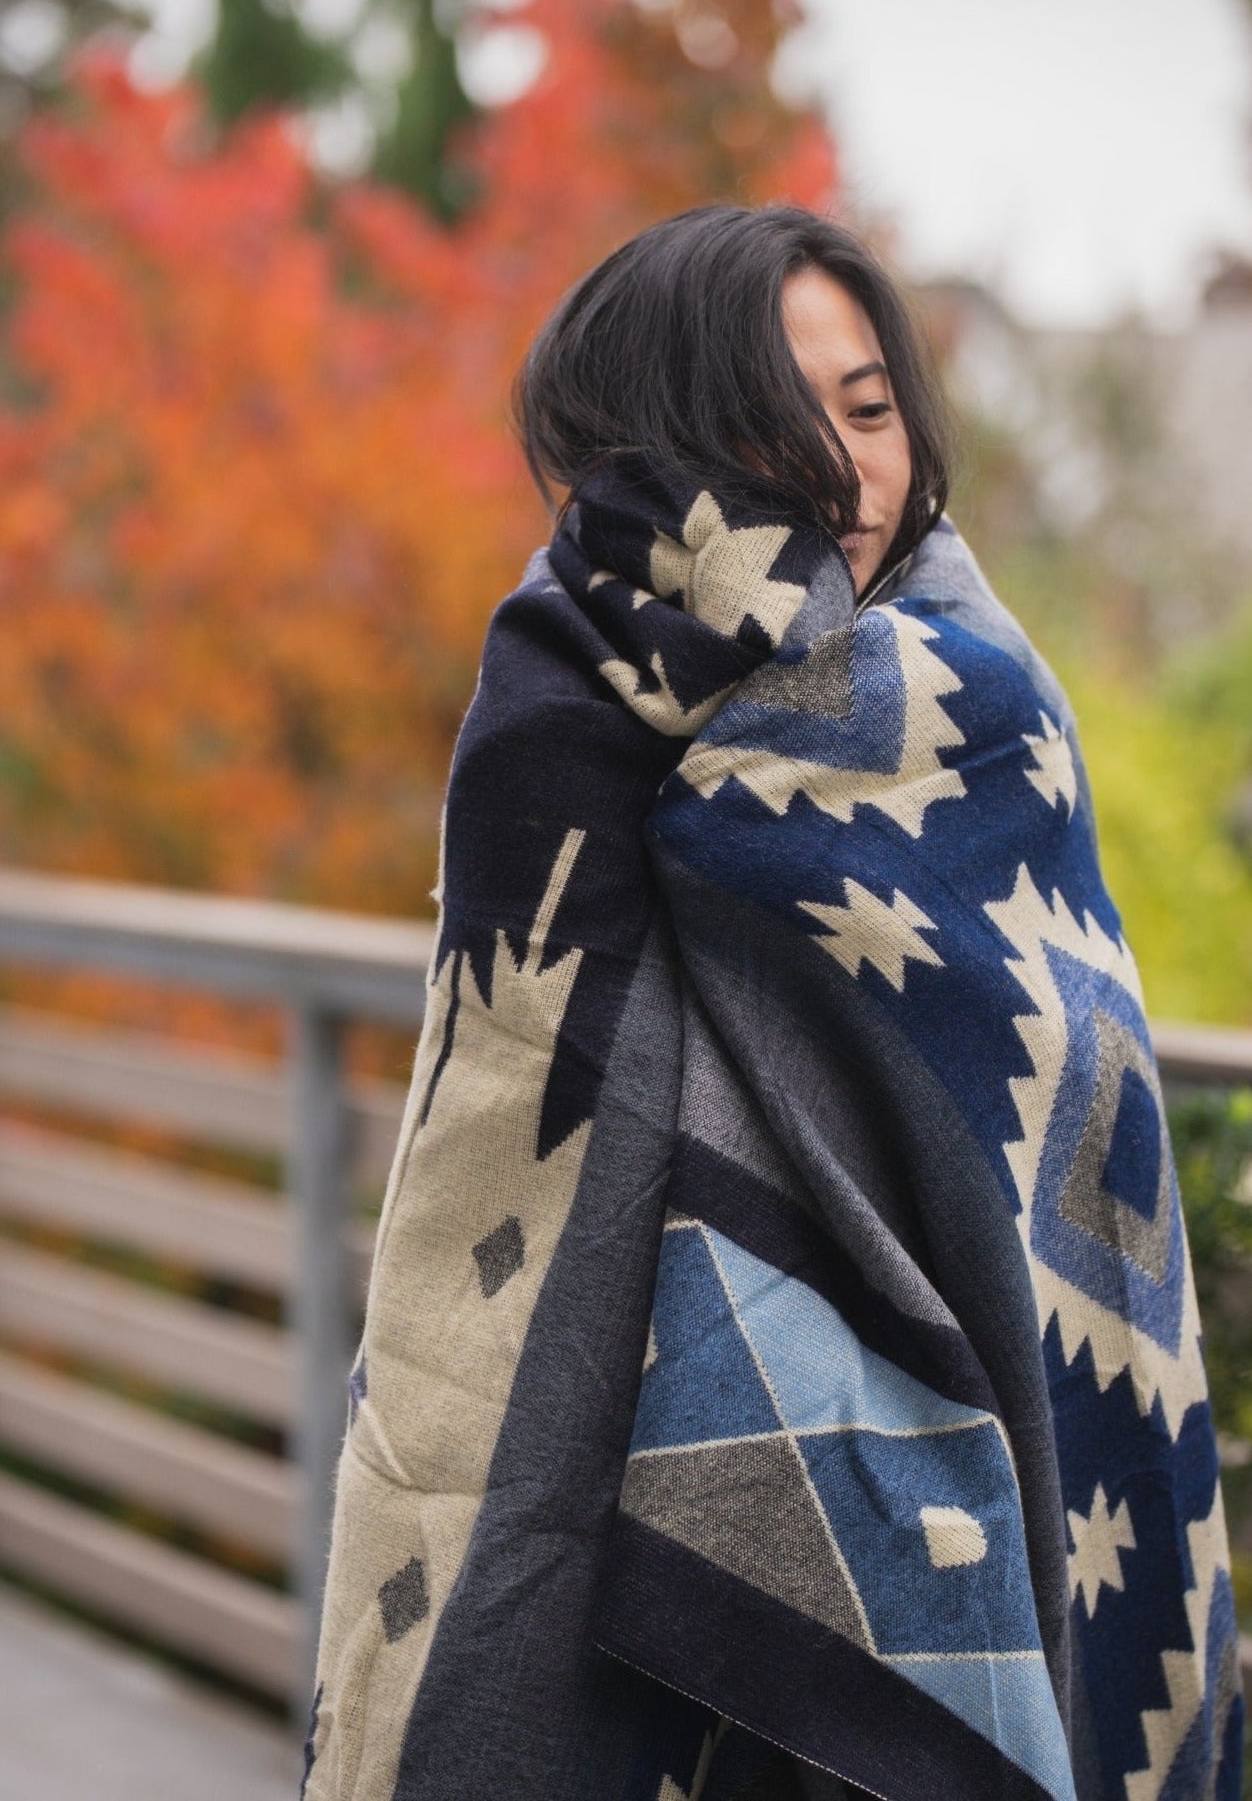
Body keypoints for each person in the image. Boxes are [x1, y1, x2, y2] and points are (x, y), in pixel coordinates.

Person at [301, 206, 1242, 1801]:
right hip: (607, 1490)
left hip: (987, 1491)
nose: (846, 475)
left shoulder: (986, 711)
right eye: (769, 425)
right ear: (644, 451)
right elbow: (493, 1121)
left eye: (870, 410)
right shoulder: (551, 720)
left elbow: (1077, 1129)